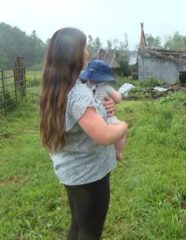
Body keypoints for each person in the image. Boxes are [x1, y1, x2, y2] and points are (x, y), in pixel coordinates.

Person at [39, 27, 128, 240]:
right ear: (75, 53)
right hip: (89, 176)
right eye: (85, 47)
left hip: (73, 172)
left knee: (79, 225)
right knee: (90, 230)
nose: (88, 52)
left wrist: (105, 110)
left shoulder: (59, 87)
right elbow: (104, 135)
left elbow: (84, 115)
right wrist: (123, 126)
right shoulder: (77, 92)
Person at [79, 59, 126, 161]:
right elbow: (117, 99)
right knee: (121, 131)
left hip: (92, 117)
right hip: (106, 117)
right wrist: (119, 93)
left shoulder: (83, 87)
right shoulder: (106, 87)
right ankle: (118, 152)